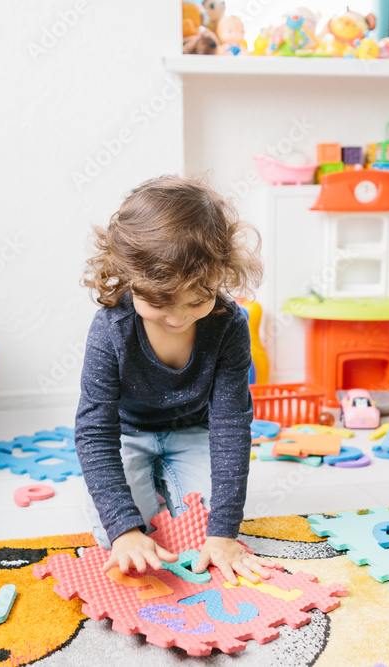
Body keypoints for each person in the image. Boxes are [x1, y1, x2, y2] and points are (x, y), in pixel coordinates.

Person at [76, 174, 275, 584]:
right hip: (128, 434)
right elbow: (95, 430)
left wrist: (223, 533)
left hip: (192, 431)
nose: (177, 318)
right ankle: (146, 495)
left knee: (200, 536)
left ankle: (171, 488)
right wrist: (125, 530)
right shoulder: (110, 327)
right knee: (123, 535)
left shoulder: (229, 324)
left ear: (221, 273)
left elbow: (231, 425)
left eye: (196, 300)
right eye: (158, 302)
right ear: (126, 275)